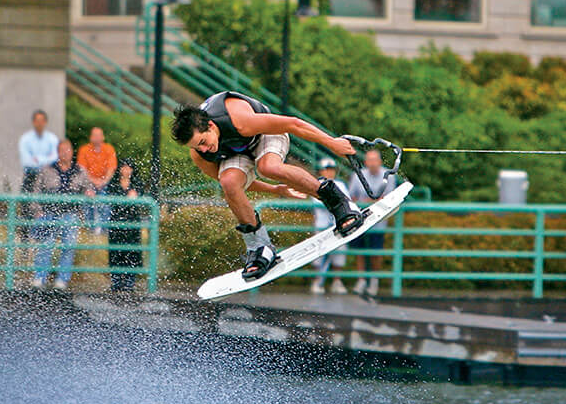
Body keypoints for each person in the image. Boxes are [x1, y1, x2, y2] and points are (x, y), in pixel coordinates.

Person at [170, 91, 363, 280]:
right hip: (237, 152)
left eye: (203, 142)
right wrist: (275, 189)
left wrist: (332, 143)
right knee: (228, 183)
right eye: (197, 146)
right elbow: (238, 187)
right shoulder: (200, 154)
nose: (204, 149)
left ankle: (338, 202)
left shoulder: (239, 119)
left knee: (268, 167)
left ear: (211, 126)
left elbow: (294, 124)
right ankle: (260, 247)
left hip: (265, 135)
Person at [29, 139, 94, 290]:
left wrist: (89, 193)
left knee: (68, 246)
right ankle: (39, 278)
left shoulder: (80, 170)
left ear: (72, 152)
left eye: (68, 150)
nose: (65, 153)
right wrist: (37, 210)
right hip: (49, 213)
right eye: (62, 150)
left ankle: (62, 280)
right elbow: (36, 192)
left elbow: (89, 188)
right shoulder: (47, 169)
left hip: (70, 214)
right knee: (46, 246)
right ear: (57, 153)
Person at [348, 149, 396, 296]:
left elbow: (389, 198)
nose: (373, 163)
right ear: (366, 162)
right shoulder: (358, 176)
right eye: (370, 160)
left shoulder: (388, 175)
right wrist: (372, 201)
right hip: (361, 218)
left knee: (376, 251)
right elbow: (352, 197)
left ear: (380, 162)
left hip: (379, 220)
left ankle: (374, 280)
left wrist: (368, 201)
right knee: (360, 251)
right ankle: (361, 279)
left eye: (375, 160)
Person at [310, 158, 350, 295]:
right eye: (326, 169)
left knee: (339, 254)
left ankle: (336, 281)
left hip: (337, 224)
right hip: (322, 226)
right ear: (321, 171)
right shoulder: (315, 184)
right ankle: (318, 281)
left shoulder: (340, 184)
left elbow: (346, 201)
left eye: (331, 169)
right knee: (319, 254)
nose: (329, 172)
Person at [18, 110, 59, 241]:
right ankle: (25, 243)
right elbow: (26, 160)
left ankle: (43, 240)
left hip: (47, 179)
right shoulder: (25, 139)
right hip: (30, 176)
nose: (40, 123)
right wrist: (44, 160)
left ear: (45, 122)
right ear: (33, 122)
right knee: (26, 209)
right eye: (37, 120)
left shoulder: (52, 138)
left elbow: (55, 157)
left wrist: (38, 159)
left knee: (46, 209)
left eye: (42, 120)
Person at [106, 159, 144, 292]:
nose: (126, 170)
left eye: (129, 167)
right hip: (116, 222)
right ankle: (116, 281)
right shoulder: (113, 183)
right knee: (116, 251)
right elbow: (110, 198)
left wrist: (136, 195)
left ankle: (129, 282)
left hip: (132, 221)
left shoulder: (137, 183)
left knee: (132, 251)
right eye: (124, 167)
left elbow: (141, 197)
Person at [76, 127, 117, 235]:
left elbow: (111, 169)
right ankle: (90, 229)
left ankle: (105, 231)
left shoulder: (109, 149)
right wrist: (93, 182)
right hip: (88, 183)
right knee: (87, 201)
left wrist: (103, 181)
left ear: (103, 137)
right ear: (91, 137)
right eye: (95, 135)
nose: (97, 138)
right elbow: (82, 170)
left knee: (105, 202)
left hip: (104, 184)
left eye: (99, 135)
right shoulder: (84, 150)